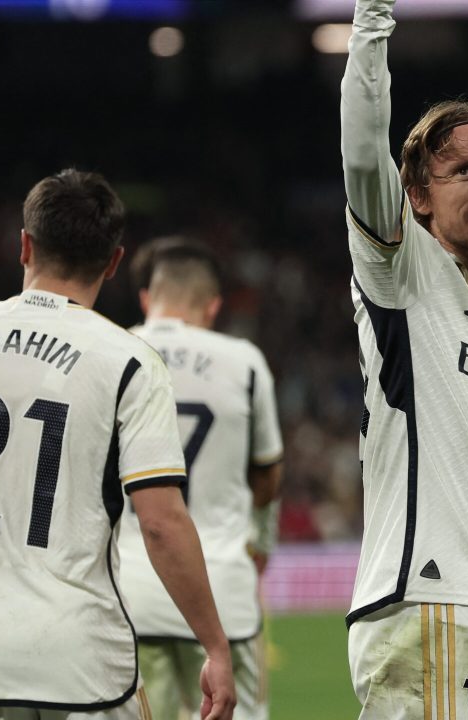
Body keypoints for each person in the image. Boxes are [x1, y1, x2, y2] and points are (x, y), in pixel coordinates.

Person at [0, 169, 236, 720]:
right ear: (115, 261)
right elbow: (160, 522)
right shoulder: (128, 361)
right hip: (85, 666)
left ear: (25, 245)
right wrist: (215, 646)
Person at [341, 0, 468, 717]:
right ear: (417, 196)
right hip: (423, 603)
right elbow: (364, 150)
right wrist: (372, 18)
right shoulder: (406, 274)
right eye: (464, 172)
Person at [118, 237, 284, 719]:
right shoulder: (244, 361)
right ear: (212, 306)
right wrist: (259, 540)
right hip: (222, 592)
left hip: (131, 590)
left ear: (147, 299)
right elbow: (268, 475)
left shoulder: (112, 351)